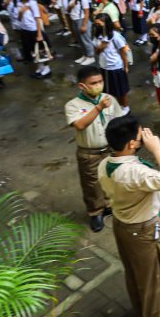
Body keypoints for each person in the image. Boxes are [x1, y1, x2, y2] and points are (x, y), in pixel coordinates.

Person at [98, 115, 160, 317]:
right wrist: (156, 148)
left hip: (123, 225)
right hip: (143, 230)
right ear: (131, 144)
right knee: (151, 275)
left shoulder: (104, 164)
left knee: (137, 273)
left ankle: (147, 308)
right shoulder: (134, 173)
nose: (144, 138)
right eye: (139, 136)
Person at [65, 66, 123, 232]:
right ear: (82, 86)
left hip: (109, 149)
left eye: (100, 81)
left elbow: (119, 122)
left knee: (111, 179)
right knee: (91, 184)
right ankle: (95, 212)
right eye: (93, 83)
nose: (98, 85)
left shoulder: (109, 99)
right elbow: (80, 125)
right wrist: (98, 108)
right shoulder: (73, 105)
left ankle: (108, 206)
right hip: (89, 152)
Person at [93, 13, 131, 111]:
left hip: (116, 67)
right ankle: (117, 107)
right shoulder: (98, 36)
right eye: (96, 24)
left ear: (106, 24)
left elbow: (123, 52)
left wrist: (126, 66)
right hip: (104, 67)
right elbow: (96, 52)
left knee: (121, 89)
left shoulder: (115, 36)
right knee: (110, 90)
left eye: (99, 24)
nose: (97, 26)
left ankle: (125, 107)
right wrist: (102, 46)